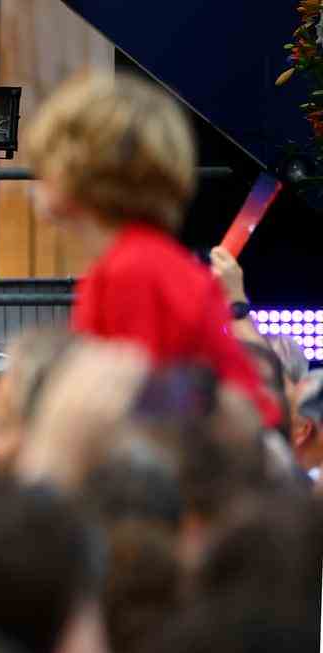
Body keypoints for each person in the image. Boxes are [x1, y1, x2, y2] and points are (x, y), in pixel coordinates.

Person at [24, 71, 276, 428]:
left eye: (45, 163)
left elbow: (135, 426)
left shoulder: (132, 271)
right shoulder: (142, 261)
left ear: (80, 170)